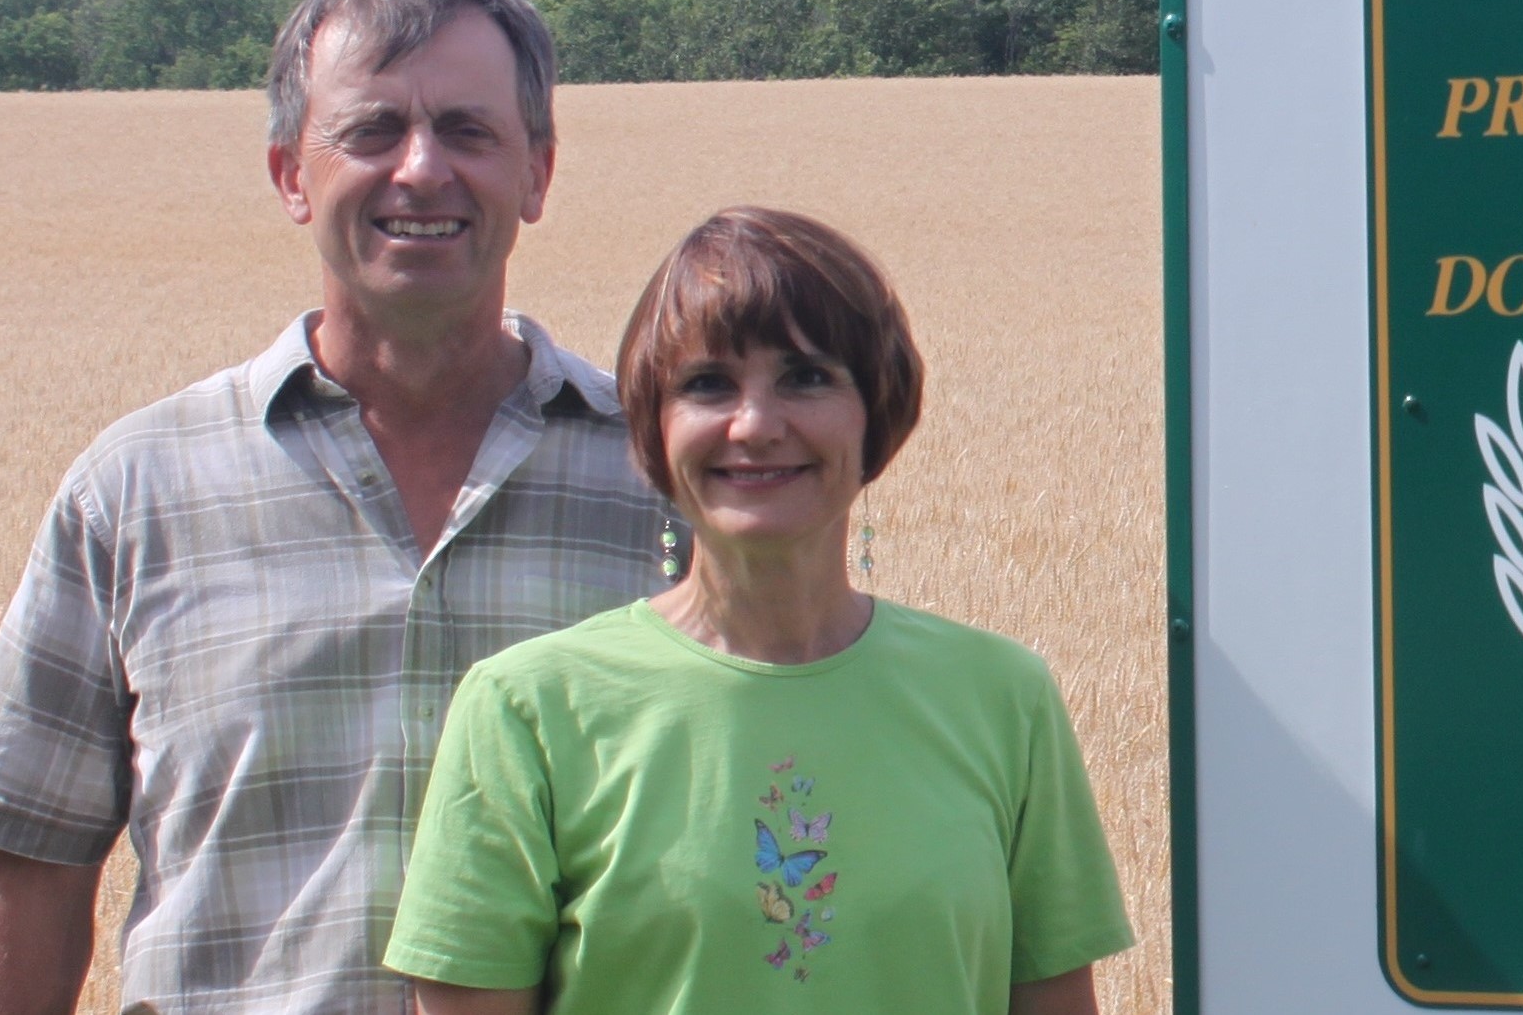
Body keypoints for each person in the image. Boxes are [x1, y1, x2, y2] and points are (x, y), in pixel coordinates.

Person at [0, 0, 672, 1015]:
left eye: (467, 130)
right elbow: (29, 866)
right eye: (370, 130)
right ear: (290, 172)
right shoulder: (138, 491)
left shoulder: (663, 486)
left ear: (538, 172)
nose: (420, 169)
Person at [384, 207, 1133, 1015]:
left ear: (877, 412)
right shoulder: (525, 710)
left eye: (806, 376)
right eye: (708, 384)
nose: (756, 424)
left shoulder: (1003, 701)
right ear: (653, 429)